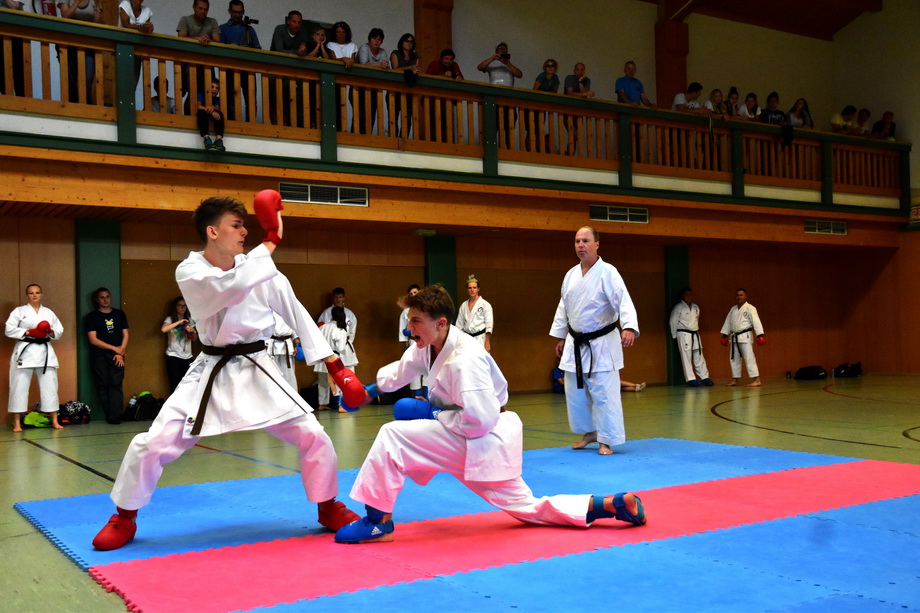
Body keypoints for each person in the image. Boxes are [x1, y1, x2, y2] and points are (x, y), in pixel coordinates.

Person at [91, 192, 365, 551]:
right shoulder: (190, 271)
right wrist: (272, 240)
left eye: (246, 226)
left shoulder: (265, 271)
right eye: (236, 225)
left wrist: (336, 367)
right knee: (153, 442)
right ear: (212, 231)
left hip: (258, 368)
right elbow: (229, 288)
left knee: (314, 435)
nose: (243, 232)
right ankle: (124, 516)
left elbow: (296, 312)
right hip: (210, 370)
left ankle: (328, 506)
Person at [333, 285, 647, 544]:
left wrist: (433, 413)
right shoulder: (428, 344)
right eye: (410, 320)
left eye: (416, 321)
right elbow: (405, 368)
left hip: (480, 437)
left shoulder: (464, 359)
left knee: (393, 437)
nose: (409, 327)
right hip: (471, 434)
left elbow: (479, 420)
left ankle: (377, 523)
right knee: (528, 507)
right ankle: (612, 505)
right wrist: (370, 390)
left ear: (441, 323)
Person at [550, 226, 639, 456]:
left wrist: (628, 326)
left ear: (597, 244)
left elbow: (623, 300)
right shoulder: (570, 275)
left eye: (585, 240)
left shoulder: (608, 272)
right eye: (577, 241)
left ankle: (607, 440)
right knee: (576, 392)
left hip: (601, 342)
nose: (580, 245)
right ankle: (590, 432)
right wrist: (561, 336)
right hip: (575, 341)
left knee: (604, 393)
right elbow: (564, 307)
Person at [6, 284, 64, 432]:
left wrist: (50, 331)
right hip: (25, 352)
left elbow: (59, 330)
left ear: (41, 294)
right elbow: (9, 329)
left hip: (45, 353)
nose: (34, 295)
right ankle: (17, 422)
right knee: (19, 387)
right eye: (31, 293)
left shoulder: (48, 313)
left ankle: (54, 420)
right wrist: (28, 332)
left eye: (37, 292)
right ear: (27, 295)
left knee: (50, 387)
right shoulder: (19, 311)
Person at [84, 287, 130, 424]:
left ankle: (116, 417)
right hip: (99, 355)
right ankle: (109, 415)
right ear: (97, 300)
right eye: (102, 297)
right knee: (103, 385)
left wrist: (120, 351)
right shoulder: (92, 317)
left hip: (118, 356)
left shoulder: (119, 314)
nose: (105, 300)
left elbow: (126, 334)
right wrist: (114, 348)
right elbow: (93, 340)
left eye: (107, 296)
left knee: (116, 384)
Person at [219, 0, 261, 121]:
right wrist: (230, 47)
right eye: (234, 12)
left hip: (248, 70)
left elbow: (258, 49)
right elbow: (219, 50)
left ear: (243, 12)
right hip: (229, 70)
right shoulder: (222, 28)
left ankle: (251, 125)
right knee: (230, 99)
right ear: (229, 11)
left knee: (251, 99)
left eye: (240, 12)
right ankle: (231, 123)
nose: (237, 15)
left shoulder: (249, 29)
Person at [176, 0, 221, 113]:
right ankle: (187, 116)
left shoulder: (212, 22)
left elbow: (218, 40)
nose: (203, 11)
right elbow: (180, 38)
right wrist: (197, 39)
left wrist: (208, 40)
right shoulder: (185, 19)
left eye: (205, 9)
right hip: (188, 62)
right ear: (194, 7)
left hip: (206, 63)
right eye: (200, 8)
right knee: (192, 92)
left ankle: (203, 115)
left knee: (207, 92)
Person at [56, 0, 104, 104]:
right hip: (69, 44)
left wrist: (97, 6)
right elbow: (65, 16)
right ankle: (71, 107)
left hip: (88, 45)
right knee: (71, 79)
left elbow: (98, 23)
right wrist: (76, 3)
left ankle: (87, 106)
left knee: (87, 77)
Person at [317, 287, 357, 409]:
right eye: (336, 297)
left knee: (324, 377)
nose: (338, 299)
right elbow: (341, 345)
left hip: (326, 353)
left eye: (340, 297)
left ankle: (323, 404)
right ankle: (342, 404)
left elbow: (352, 334)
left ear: (344, 298)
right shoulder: (329, 318)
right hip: (339, 353)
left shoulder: (350, 315)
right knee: (345, 378)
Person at [477, 42, 523, 148]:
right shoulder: (492, 64)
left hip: (509, 101)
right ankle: (491, 149)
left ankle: (509, 151)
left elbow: (520, 75)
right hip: (494, 101)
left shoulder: (510, 65)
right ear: (496, 50)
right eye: (500, 48)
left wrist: (508, 63)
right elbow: (480, 67)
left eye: (504, 48)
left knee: (509, 128)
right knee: (492, 127)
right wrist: (493, 57)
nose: (502, 50)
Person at [268, 11, 310, 127]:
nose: (296, 25)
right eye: (294, 21)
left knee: (289, 99)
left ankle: (291, 125)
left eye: (299, 22)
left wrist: (302, 51)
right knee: (274, 99)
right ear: (288, 21)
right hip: (274, 70)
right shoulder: (279, 30)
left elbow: (303, 51)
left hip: (292, 72)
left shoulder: (303, 34)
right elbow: (279, 50)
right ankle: (275, 124)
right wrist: (297, 52)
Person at [720, 288, 765, 388]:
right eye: (737, 295)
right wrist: (724, 335)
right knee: (734, 359)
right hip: (734, 336)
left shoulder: (750, 308)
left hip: (745, 336)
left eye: (741, 295)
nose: (739, 297)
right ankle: (734, 379)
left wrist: (760, 335)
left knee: (749, 358)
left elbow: (756, 322)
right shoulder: (733, 309)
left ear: (745, 296)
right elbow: (728, 322)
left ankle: (756, 380)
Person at [669, 287, 712, 387]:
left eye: (690, 295)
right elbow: (672, 321)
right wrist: (674, 335)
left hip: (695, 333)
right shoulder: (678, 307)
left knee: (698, 355)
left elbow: (697, 319)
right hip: (683, 334)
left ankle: (704, 377)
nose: (689, 297)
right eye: (686, 295)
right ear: (682, 296)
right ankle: (691, 379)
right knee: (686, 356)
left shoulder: (696, 307)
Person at [354, 28, 388, 135]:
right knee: (360, 114)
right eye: (374, 38)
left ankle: (367, 135)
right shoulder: (364, 48)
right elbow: (363, 64)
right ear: (369, 39)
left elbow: (386, 66)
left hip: (374, 88)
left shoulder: (382, 52)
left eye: (379, 39)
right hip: (359, 87)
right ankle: (355, 136)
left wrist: (383, 65)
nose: (377, 41)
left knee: (372, 113)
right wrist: (379, 65)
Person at [314, 306, 348, 412]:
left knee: (323, 382)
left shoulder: (322, 327)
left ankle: (322, 404)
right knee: (340, 381)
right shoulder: (340, 329)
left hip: (322, 358)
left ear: (332, 316)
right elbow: (341, 348)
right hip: (334, 358)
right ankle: (341, 405)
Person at [161, 296, 197, 394]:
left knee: (188, 384)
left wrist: (193, 331)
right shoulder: (170, 319)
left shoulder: (189, 320)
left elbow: (195, 340)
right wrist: (180, 322)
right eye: (180, 305)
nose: (182, 308)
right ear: (175, 307)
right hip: (174, 356)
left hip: (188, 356)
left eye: (184, 305)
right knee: (175, 384)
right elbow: (164, 329)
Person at [389, 33, 421, 138]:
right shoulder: (396, 53)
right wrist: (410, 68)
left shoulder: (415, 56)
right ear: (402, 42)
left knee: (407, 120)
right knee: (393, 118)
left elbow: (416, 68)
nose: (409, 44)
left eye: (411, 42)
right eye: (407, 41)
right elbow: (395, 69)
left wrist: (414, 69)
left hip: (408, 91)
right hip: (395, 90)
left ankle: (404, 141)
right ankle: (392, 140)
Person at [118, 0, 154, 92]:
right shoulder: (125, 5)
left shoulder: (147, 11)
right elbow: (125, 25)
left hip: (137, 49)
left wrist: (149, 28)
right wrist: (141, 27)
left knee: (133, 80)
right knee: (121, 78)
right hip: (122, 46)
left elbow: (146, 31)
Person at [398, 284, 424, 398]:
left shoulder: (426, 308)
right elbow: (402, 330)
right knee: (414, 370)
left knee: (428, 368)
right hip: (413, 342)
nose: (413, 295)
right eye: (411, 294)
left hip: (426, 341)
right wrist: (406, 345)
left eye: (415, 293)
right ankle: (417, 398)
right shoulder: (405, 311)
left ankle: (428, 397)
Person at [455, 275, 493, 352]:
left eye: (474, 287)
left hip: (480, 338)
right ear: (467, 290)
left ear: (478, 289)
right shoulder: (463, 305)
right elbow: (459, 326)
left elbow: (489, 325)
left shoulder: (485, 305)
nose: (472, 290)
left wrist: (487, 341)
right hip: (467, 338)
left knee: (481, 362)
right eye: (470, 288)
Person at [267, 312, 299, 391]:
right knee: (272, 376)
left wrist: (297, 346)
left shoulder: (289, 311)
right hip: (271, 346)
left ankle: (293, 401)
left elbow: (295, 331)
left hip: (287, 346)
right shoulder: (267, 309)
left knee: (289, 377)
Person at [196, 77, 225, 151]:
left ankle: (219, 139)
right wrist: (211, 111)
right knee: (202, 113)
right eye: (212, 87)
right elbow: (199, 106)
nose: (215, 89)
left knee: (220, 115)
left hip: (211, 113)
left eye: (217, 88)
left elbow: (218, 109)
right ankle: (206, 138)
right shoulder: (201, 95)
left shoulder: (216, 100)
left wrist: (213, 108)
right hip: (204, 112)